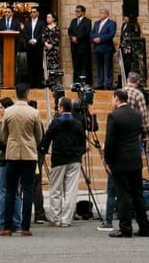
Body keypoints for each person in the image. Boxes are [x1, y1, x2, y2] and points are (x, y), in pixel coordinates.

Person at [0, 84, 44, 236]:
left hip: (12, 154)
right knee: (28, 189)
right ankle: (25, 227)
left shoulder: (8, 112)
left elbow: (3, 135)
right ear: (28, 94)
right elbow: (39, 135)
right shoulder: (34, 112)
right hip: (29, 155)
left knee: (10, 190)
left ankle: (7, 226)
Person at [105, 88, 149, 238]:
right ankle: (144, 227)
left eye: (113, 99)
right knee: (138, 194)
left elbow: (110, 141)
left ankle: (125, 228)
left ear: (117, 99)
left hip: (120, 160)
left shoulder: (113, 116)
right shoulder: (137, 115)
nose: (112, 102)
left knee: (123, 194)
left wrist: (108, 160)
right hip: (135, 159)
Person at [41, 96, 85, 227]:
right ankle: (66, 219)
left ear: (61, 108)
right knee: (71, 190)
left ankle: (56, 217)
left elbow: (47, 138)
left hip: (59, 159)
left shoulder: (56, 122)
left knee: (56, 190)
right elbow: (82, 142)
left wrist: (43, 150)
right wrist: (79, 153)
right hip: (74, 159)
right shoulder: (78, 123)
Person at [91, 8, 116, 90]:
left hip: (107, 48)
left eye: (102, 13)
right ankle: (100, 83)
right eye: (100, 13)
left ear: (106, 14)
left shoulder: (111, 23)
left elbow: (111, 34)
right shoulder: (97, 23)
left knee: (108, 66)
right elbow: (92, 33)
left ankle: (108, 84)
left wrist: (100, 39)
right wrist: (94, 39)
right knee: (99, 67)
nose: (100, 15)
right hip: (97, 48)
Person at [68, 5, 92, 85]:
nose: (76, 13)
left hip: (84, 47)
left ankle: (86, 83)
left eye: (78, 11)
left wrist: (77, 38)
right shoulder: (73, 21)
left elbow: (86, 32)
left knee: (85, 67)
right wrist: (72, 37)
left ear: (83, 12)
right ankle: (76, 83)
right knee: (76, 66)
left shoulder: (87, 21)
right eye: (76, 11)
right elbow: (70, 31)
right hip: (74, 47)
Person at [22, 7, 45, 88]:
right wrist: (29, 40)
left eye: (34, 12)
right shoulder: (27, 22)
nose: (32, 13)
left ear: (38, 13)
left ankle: (39, 84)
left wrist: (36, 40)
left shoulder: (41, 22)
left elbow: (42, 33)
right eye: (31, 12)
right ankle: (31, 84)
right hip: (29, 46)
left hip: (38, 46)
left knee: (38, 65)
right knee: (30, 65)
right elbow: (24, 33)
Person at [41, 12, 62, 86]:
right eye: (47, 17)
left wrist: (51, 45)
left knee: (55, 65)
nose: (48, 19)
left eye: (49, 17)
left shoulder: (57, 28)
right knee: (47, 65)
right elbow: (43, 38)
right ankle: (48, 81)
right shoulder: (45, 28)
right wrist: (46, 44)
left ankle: (55, 82)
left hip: (54, 50)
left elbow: (57, 38)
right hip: (47, 50)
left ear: (53, 18)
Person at [120, 14, 142, 79]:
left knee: (130, 65)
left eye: (126, 17)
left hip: (131, 49)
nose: (124, 18)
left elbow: (136, 35)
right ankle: (125, 79)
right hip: (124, 48)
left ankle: (132, 79)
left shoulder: (134, 25)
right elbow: (122, 36)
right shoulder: (123, 25)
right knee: (125, 65)